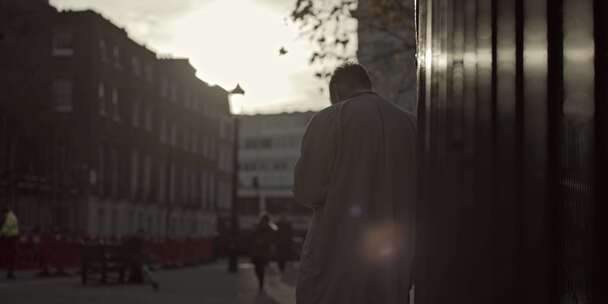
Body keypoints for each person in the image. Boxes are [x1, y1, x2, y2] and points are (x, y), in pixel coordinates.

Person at [294, 63, 417, 304]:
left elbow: (307, 190)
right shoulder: (409, 124)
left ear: (337, 92)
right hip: (391, 261)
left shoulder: (329, 119)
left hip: (336, 255)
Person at [250, 213, 276, 292]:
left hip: (263, 253)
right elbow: (252, 239)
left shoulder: (270, 228)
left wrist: (264, 242)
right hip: (256, 252)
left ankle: (261, 284)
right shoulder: (257, 227)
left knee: (260, 269)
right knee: (257, 269)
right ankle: (260, 282)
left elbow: (271, 239)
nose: (263, 222)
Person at [1, 206, 19, 279]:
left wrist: (1, 234)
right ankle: (10, 272)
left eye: (2, 214)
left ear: (5, 212)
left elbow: (6, 227)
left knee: (10, 256)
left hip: (12, 238)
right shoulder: (11, 216)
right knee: (10, 255)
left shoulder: (10, 217)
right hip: (11, 238)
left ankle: (10, 272)